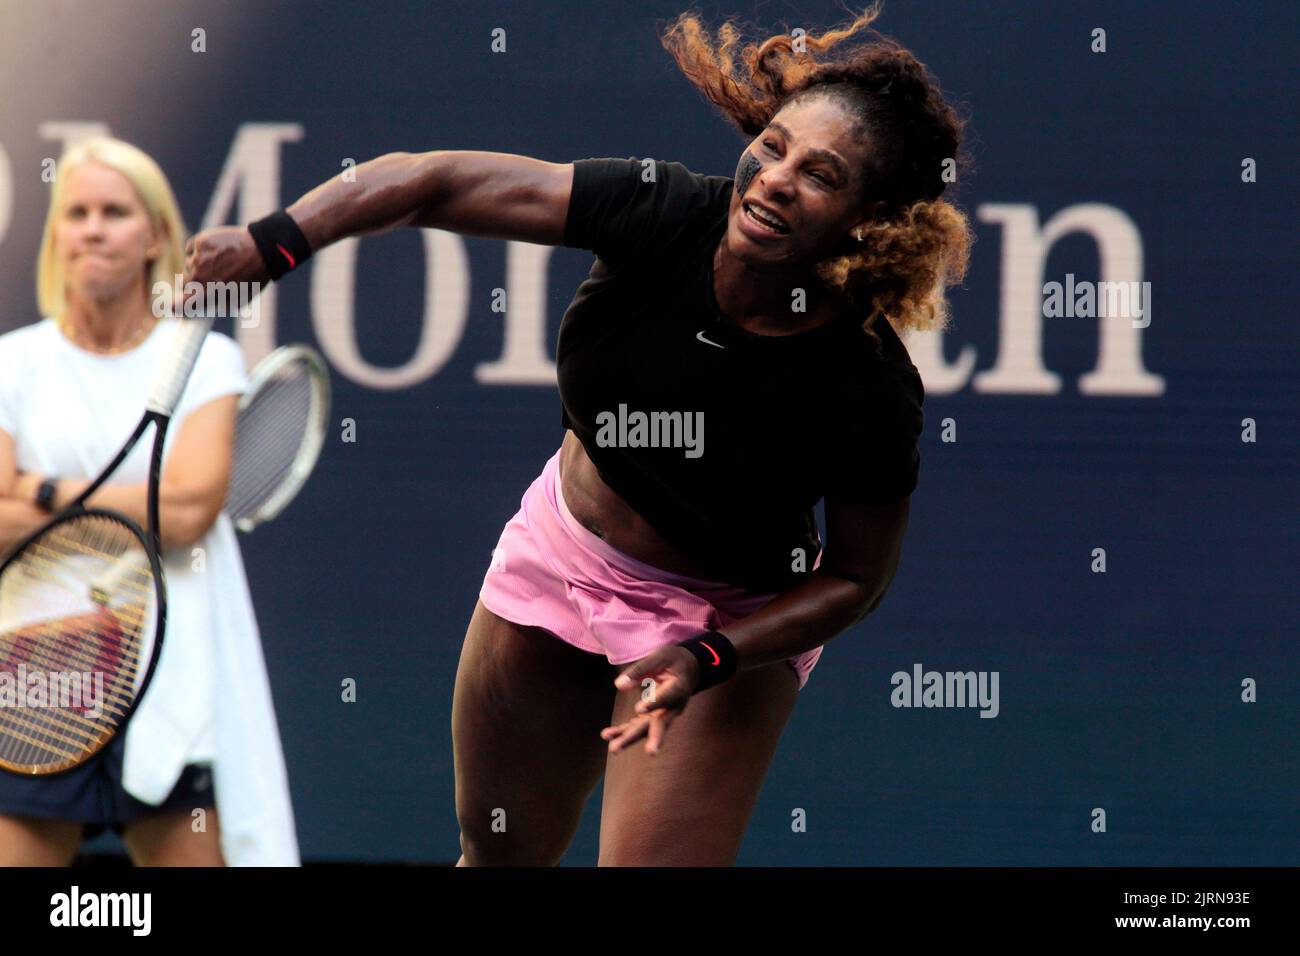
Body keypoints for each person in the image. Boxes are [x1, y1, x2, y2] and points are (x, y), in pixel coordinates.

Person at [183, 5, 972, 865]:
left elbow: (856, 578)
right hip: (561, 556)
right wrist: (274, 244)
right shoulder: (662, 211)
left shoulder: (866, 382)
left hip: (722, 622)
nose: (775, 178)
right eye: (774, 145)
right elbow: (434, 181)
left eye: (820, 175)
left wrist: (712, 654)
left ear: (871, 219)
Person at [0, 137, 298, 866]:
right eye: (76, 213)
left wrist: (36, 491)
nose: (94, 228)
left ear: (156, 235)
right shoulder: (12, 362)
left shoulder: (204, 357)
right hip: (37, 675)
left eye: (114, 211)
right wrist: (134, 509)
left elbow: (190, 510)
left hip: (171, 675)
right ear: (57, 235)